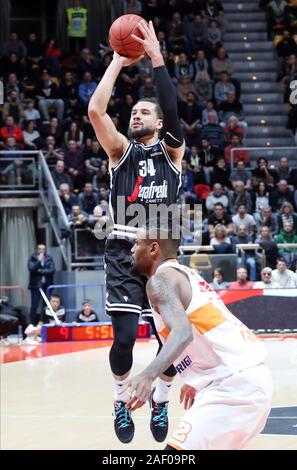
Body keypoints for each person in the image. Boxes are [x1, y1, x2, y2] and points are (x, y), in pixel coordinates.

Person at [88, 20, 185, 444]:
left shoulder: (173, 153)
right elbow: (95, 111)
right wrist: (116, 62)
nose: (136, 115)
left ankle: (161, 400)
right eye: (133, 112)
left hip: (163, 251)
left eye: (145, 112)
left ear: (160, 124)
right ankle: (119, 401)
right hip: (125, 249)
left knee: (167, 341)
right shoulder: (119, 153)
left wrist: (157, 59)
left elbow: (173, 107)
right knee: (125, 339)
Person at [120, 220, 273, 450]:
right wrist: (200, 376)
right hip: (246, 380)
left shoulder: (160, 281)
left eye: (136, 243)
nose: (132, 249)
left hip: (234, 386)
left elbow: (183, 334)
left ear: (153, 249)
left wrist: (147, 375)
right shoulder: (186, 274)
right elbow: (206, 327)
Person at [27, 244, 55, 325]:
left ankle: (45, 323)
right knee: (34, 305)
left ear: (45, 250)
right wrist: (39, 261)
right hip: (35, 286)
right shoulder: (32, 258)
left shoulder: (49, 258)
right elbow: (31, 269)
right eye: (40, 249)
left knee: (46, 306)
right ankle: (32, 324)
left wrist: (39, 271)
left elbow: (52, 270)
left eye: (43, 249)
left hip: (47, 286)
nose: (41, 251)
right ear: (37, 250)